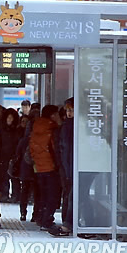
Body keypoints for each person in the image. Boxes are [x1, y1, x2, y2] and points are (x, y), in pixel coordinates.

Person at [29, 104, 61, 230]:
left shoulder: (36, 128)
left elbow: (31, 148)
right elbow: (55, 149)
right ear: (53, 115)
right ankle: (47, 220)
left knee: (43, 194)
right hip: (51, 167)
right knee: (52, 195)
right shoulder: (52, 129)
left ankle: (41, 217)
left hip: (39, 167)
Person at [49, 97, 74, 236]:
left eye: (71, 110)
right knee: (72, 195)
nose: (69, 113)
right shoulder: (69, 125)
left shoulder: (69, 126)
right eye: (67, 110)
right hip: (70, 167)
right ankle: (68, 224)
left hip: (70, 167)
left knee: (71, 195)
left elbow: (66, 150)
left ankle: (68, 224)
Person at [0, 108, 20, 202]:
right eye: (8, 118)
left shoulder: (16, 130)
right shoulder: (3, 130)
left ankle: (15, 195)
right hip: (4, 155)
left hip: (13, 156)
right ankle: (5, 194)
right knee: (4, 176)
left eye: (11, 118)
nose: (10, 120)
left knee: (14, 177)